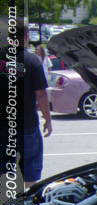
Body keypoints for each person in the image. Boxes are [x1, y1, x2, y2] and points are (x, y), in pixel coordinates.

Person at [19, 21, 52, 188]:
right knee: (30, 171)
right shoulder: (32, 61)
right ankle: (26, 202)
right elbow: (41, 94)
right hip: (27, 125)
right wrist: (48, 119)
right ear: (26, 36)